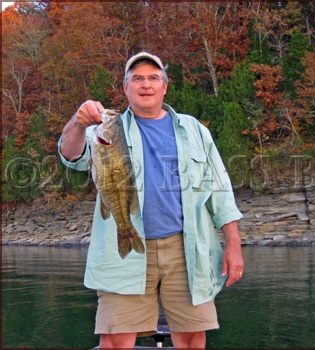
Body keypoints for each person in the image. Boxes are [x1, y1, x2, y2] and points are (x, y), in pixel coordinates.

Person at [58, 52, 244, 349]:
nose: (146, 84)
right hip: (123, 250)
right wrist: (78, 124)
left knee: (193, 339)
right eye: (137, 78)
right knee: (115, 341)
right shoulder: (107, 130)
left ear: (164, 87)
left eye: (153, 78)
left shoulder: (195, 130)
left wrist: (233, 245)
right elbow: (71, 155)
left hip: (187, 249)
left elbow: (221, 191)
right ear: (125, 88)